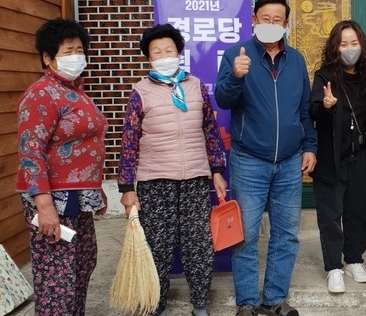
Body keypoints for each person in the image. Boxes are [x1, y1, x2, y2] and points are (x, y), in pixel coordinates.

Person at [215, 0, 318, 316]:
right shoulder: (236, 55)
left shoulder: (297, 60)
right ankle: (246, 302)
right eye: (265, 18)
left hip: (289, 162)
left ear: (286, 24)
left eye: (278, 20)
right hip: (249, 160)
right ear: (254, 21)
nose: (271, 24)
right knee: (245, 235)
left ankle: (275, 298)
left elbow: (304, 110)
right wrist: (236, 76)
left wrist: (310, 146)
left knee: (286, 234)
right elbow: (223, 100)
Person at [117, 24, 227, 316]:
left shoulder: (196, 86)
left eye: (169, 50)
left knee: (198, 245)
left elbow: (211, 131)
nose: (164, 55)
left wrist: (216, 169)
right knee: (158, 248)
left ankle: (200, 305)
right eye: (157, 52)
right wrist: (127, 188)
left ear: (179, 53)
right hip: (155, 181)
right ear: (148, 58)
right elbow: (129, 141)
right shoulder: (140, 92)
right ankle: (157, 305)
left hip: (194, 178)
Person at [16, 18, 108, 315]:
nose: (76, 56)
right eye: (68, 50)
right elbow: (31, 152)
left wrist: (97, 189)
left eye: (80, 49)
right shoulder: (41, 94)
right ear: (47, 56)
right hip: (52, 198)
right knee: (57, 277)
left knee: (82, 266)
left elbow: (87, 145)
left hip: (79, 197)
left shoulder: (75, 91)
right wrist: (44, 207)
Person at [309, 20, 366, 293]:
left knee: (357, 212)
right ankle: (334, 267)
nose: (350, 49)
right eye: (344, 44)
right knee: (331, 214)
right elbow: (314, 110)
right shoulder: (324, 76)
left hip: (360, 155)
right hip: (331, 158)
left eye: (354, 43)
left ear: (361, 45)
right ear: (334, 47)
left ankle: (354, 260)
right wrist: (326, 105)